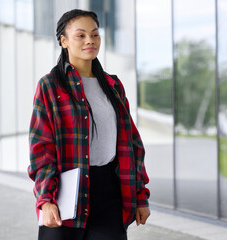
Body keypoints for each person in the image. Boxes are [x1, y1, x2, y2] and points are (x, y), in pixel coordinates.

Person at [28, 9, 150, 240]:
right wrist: (45, 200)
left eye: (95, 35)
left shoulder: (113, 85)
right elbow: (41, 148)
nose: (90, 41)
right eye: (80, 35)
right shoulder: (50, 86)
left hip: (110, 192)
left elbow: (132, 144)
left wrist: (140, 196)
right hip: (65, 192)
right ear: (64, 41)